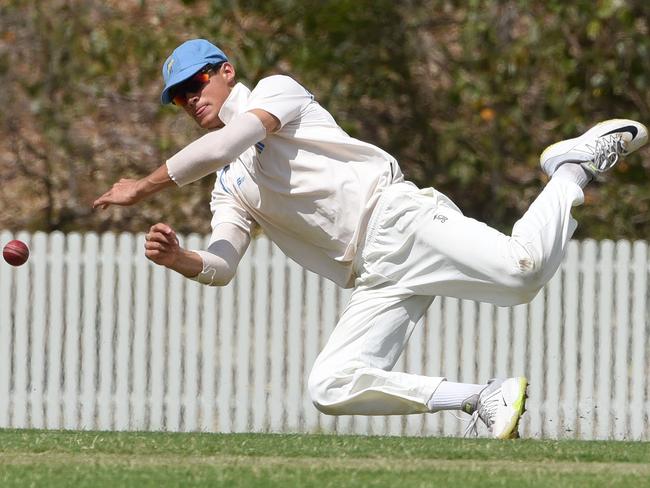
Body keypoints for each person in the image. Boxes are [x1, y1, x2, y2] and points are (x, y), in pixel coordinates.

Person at [93, 39, 648, 439]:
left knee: (522, 273)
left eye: (196, 84)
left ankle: (571, 170)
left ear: (225, 72)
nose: (190, 99)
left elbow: (221, 145)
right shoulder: (228, 188)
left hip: (396, 218)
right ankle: (482, 397)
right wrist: (179, 258)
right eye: (177, 97)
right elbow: (222, 265)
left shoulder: (275, 93)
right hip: (372, 275)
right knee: (331, 387)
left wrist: (143, 187)